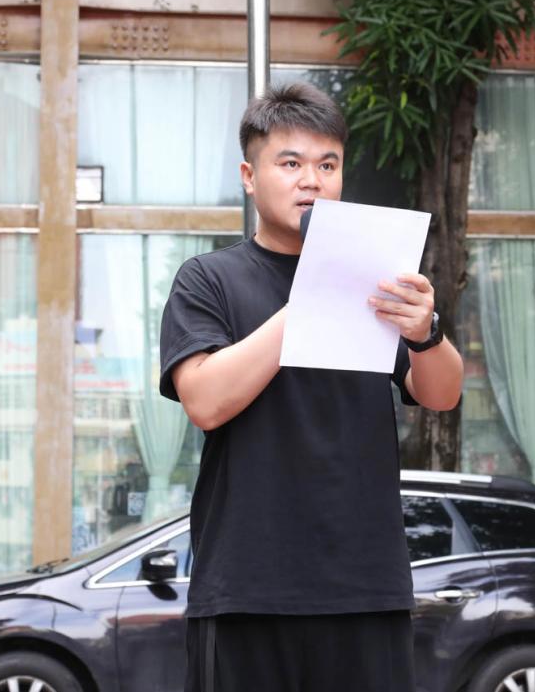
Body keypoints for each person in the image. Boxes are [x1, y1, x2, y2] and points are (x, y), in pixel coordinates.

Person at [158, 81, 464, 692]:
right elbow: (205, 401)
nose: (312, 181)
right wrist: (310, 297)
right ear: (250, 176)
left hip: (366, 587)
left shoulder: (375, 278)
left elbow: (441, 395)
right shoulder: (207, 280)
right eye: (291, 163)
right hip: (246, 590)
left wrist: (426, 331)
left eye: (328, 165)